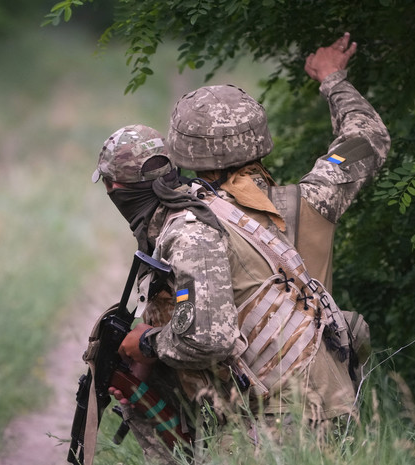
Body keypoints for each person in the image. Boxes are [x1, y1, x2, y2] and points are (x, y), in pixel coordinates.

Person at [92, 33, 390, 464]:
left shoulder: (193, 223)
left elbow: (202, 335)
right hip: (329, 394)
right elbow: (367, 138)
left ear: (182, 152)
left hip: (266, 412)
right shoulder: (311, 201)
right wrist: (333, 79)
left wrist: (147, 342)